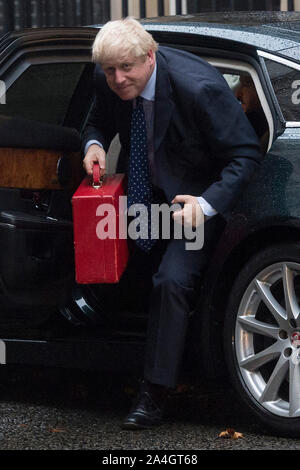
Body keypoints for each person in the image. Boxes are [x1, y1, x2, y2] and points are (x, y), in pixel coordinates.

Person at [82, 17, 263, 429]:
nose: (117, 78)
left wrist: (207, 204)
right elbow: (97, 122)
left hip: (194, 205)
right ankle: (83, 341)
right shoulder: (106, 75)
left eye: (125, 68)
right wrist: (93, 145)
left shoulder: (199, 88)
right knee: (97, 256)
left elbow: (245, 154)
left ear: (150, 56)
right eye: (110, 70)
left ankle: (154, 394)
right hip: (142, 204)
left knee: (171, 281)